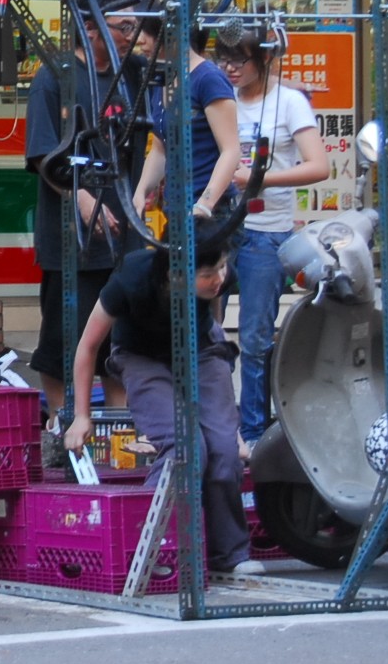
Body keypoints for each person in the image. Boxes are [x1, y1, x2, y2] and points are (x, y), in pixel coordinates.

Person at [63, 236, 263, 576]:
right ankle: (150, 547)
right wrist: (81, 416)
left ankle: (227, 555)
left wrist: (230, 426)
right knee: (185, 448)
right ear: (175, 274)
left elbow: (211, 320)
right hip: (141, 356)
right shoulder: (132, 278)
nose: (218, 278)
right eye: (207, 273)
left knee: (223, 450)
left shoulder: (216, 277)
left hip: (200, 350)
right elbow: (88, 346)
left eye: (221, 268)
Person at [25, 0, 141, 412]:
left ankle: (117, 429)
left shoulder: (135, 74)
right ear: (91, 27)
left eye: (136, 25)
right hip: (71, 240)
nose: (132, 35)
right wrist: (83, 198)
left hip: (127, 237)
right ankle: (62, 426)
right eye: (124, 26)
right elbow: (43, 156)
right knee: (63, 342)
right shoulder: (54, 77)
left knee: (120, 345)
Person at [214, 21, 327, 445]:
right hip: (218, 230)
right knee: (206, 335)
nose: (229, 68)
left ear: (263, 58)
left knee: (255, 338)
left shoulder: (289, 102)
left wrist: (257, 179)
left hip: (266, 232)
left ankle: (255, 435)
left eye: (239, 60)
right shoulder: (218, 95)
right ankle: (220, 427)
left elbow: (319, 166)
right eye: (222, 59)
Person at [134, 22, 242, 224]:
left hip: (211, 213)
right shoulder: (164, 77)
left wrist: (204, 205)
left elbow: (231, 150)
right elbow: (160, 149)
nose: (140, 40)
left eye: (148, 32)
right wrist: (141, 191)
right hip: (176, 210)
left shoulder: (208, 78)